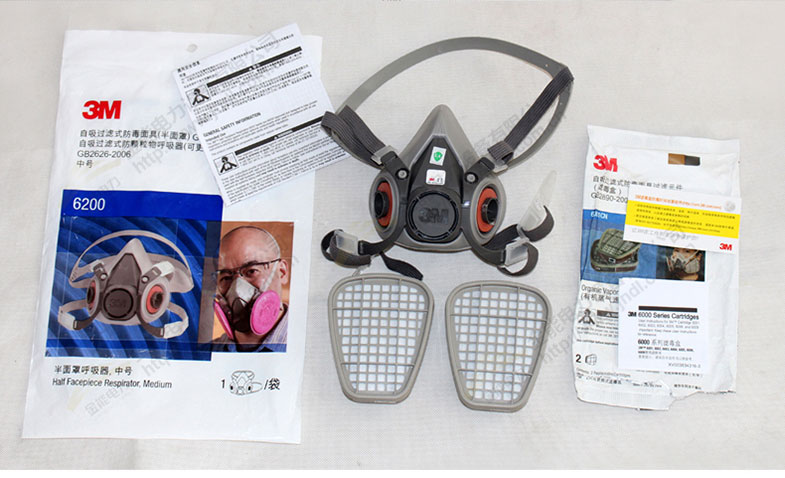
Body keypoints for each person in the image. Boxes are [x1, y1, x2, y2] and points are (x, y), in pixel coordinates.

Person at [213, 226, 289, 352]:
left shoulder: (307, 342)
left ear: (282, 272)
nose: (237, 289)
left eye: (252, 271)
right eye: (226, 277)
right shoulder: (205, 352)